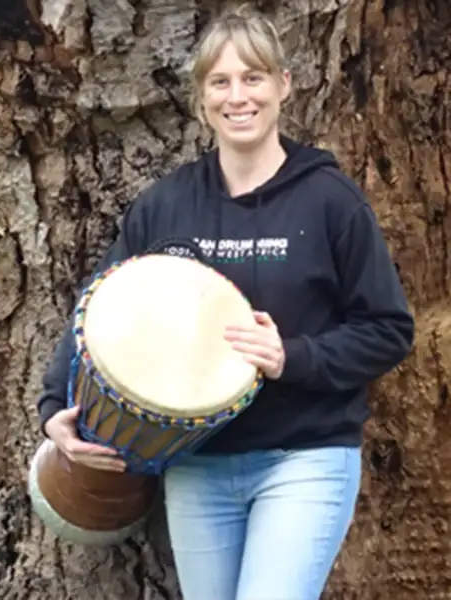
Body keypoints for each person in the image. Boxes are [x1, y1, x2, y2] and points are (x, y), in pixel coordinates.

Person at [36, 5, 415, 599]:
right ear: (202, 97)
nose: (238, 96)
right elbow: (101, 307)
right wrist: (54, 403)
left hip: (304, 458)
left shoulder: (331, 201)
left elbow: (388, 329)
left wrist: (292, 356)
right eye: (221, 81)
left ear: (283, 86)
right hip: (197, 466)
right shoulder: (167, 205)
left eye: (254, 77)